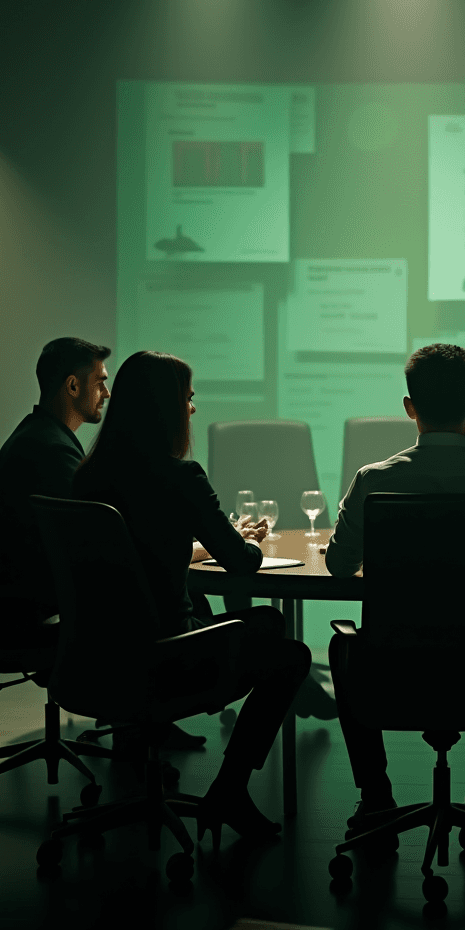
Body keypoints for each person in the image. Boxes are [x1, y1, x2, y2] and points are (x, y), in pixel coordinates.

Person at [73, 350, 312, 840]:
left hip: (91, 658)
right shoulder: (181, 476)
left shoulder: (87, 478)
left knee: (263, 626)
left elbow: (137, 554)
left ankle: (143, 754)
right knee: (288, 653)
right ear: (166, 408)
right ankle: (229, 791)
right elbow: (242, 564)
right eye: (188, 398)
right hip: (165, 659)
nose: (193, 409)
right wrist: (247, 539)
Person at [325, 343, 465, 830]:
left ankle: (376, 795)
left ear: (410, 408)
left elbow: (340, 566)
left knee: (341, 644)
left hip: (395, 672)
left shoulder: (373, 480)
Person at [0, 337, 111, 650]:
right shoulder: (52, 452)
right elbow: (100, 540)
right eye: (99, 383)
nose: (106, 394)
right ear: (72, 386)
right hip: (40, 612)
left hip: (26, 602)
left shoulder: (40, 436)